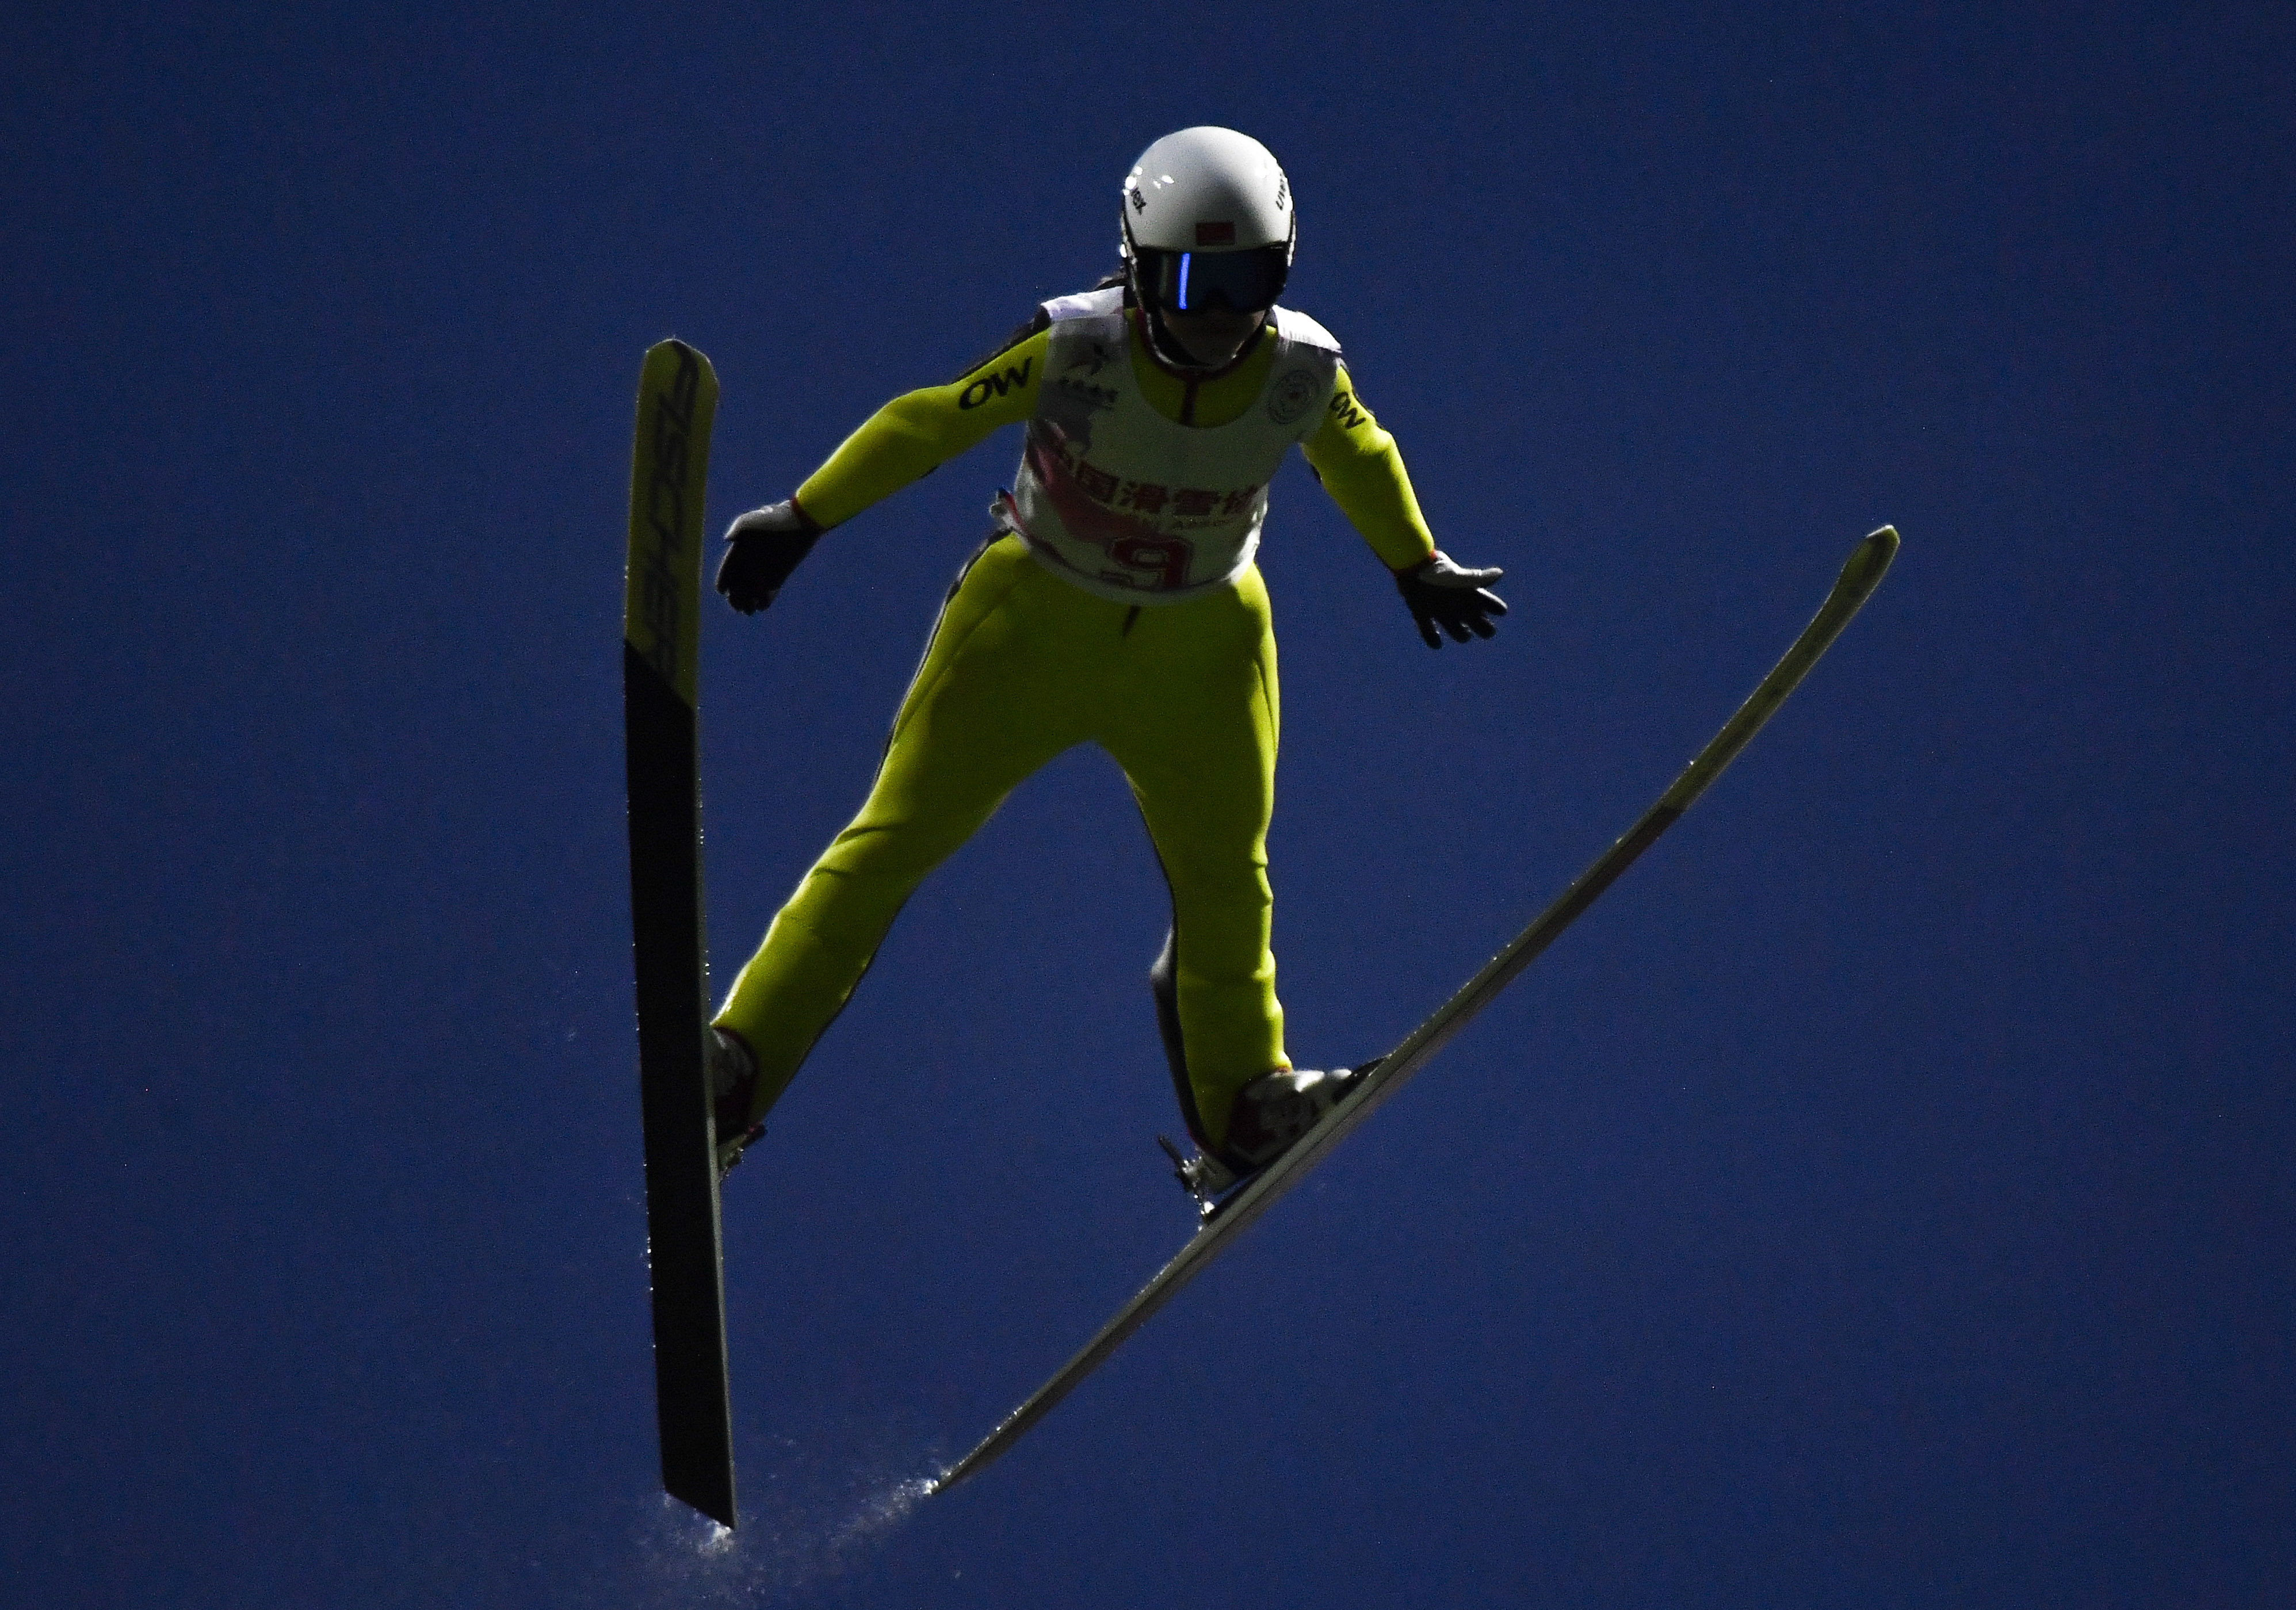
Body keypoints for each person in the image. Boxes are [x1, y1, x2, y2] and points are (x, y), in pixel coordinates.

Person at [705, 127, 1504, 1192]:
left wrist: (1417, 563)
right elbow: (933, 422)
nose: (1220, 317)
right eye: (1192, 280)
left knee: (1229, 883)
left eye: (1248, 281)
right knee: (891, 841)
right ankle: (735, 1066)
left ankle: (1246, 1109)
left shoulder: (1300, 369)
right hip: (1033, 621)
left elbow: (1361, 453)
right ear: (1138, 266)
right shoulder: (1079, 345)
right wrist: (805, 516)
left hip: (1204, 644)